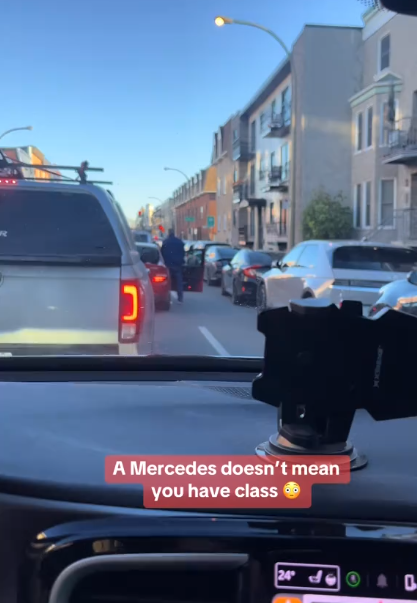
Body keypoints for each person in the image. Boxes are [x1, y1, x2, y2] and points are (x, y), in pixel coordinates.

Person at [161, 228, 185, 303]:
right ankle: (180, 297)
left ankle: (166, 297)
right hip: (177, 265)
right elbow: (183, 253)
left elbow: (162, 253)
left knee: (168, 282)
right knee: (179, 282)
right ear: (174, 233)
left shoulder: (165, 242)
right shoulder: (179, 242)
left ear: (168, 233)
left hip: (168, 264)